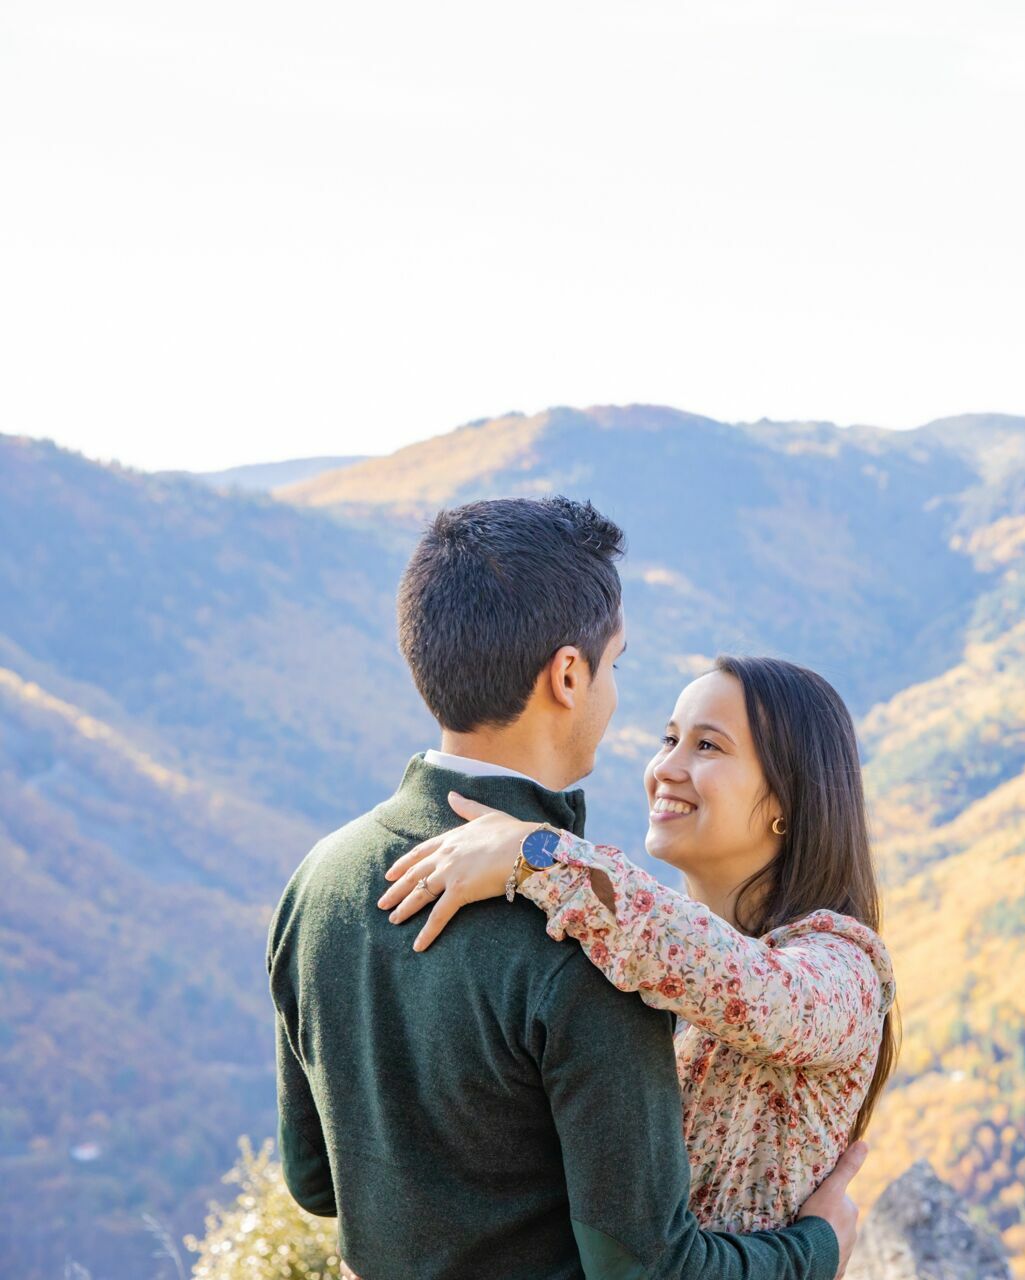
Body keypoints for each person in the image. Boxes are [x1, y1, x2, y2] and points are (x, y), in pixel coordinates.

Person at [268, 497, 863, 1280]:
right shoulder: (589, 943)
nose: (659, 753)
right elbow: (647, 1270)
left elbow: (317, 1182)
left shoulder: (319, 879)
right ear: (569, 674)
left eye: (706, 744)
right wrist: (818, 1249)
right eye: (615, 665)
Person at [376, 653, 899, 1234]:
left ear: (786, 799)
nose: (666, 767)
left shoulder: (847, 967)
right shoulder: (624, 949)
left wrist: (541, 854)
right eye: (669, 739)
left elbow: (757, 992)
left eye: (708, 747)